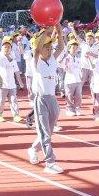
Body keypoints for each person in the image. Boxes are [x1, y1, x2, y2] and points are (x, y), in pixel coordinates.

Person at [27, 26, 65, 174]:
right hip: (41, 99)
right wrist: (46, 30)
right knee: (44, 132)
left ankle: (32, 149)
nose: (49, 50)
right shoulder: (36, 62)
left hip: (53, 100)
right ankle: (50, 162)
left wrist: (59, 32)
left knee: (48, 131)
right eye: (46, 48)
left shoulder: (53, 60)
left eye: (50, 48)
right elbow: (37, 49)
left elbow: (61, 46)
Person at [0, 36, 24, 123]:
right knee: (1, 101)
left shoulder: (13, 60)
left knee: (13, 100)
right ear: (2, 48)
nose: (6, 48)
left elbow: (17, 72)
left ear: (11, 48)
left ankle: (16, 115)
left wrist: (20, 82)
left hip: (12, 84)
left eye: (8, 47)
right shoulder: (0, 58)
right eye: (5, 47)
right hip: (2, 84)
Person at [59, 38, 83, 116]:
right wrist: (66, 64)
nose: (75, 50)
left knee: (78, 95)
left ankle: (77, 108)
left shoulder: (78, 58)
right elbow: (63, 67)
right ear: (69, 49)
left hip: (78, 80)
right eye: (73, 48)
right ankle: (69, 109)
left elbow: (80, 68)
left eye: (76, 48)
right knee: (69, 95)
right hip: (69, 80)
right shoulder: (66, 58)